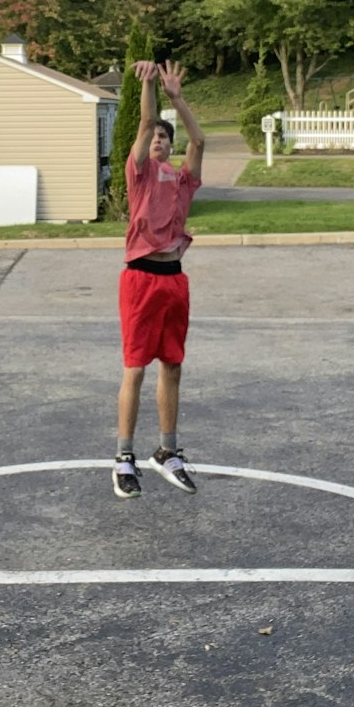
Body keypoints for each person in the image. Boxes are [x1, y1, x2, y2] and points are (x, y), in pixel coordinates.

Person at [112, 58, 205, 499]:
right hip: (141, 279)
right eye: (154, 138)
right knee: (135, 368)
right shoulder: (140, 175)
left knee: (173, 365)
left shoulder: (182, 181)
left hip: (173, 279)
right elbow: (146, 120)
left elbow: (200, 139)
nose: (158, 141)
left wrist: (178, 99)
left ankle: (168, 452)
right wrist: (149, 85)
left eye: (165, 138)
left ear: (170, 147)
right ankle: (124, 458)